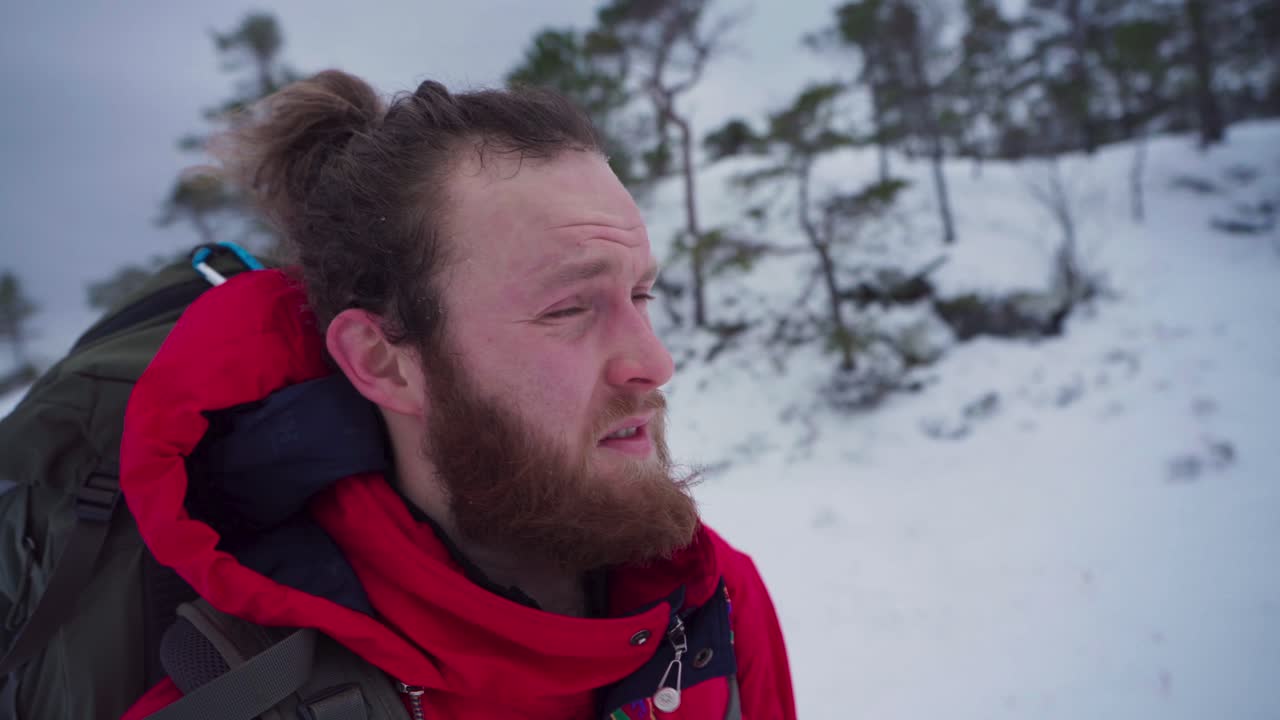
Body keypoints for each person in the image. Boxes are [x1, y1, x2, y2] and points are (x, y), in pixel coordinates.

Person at [120, 70, 795, 719]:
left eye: (640, 295)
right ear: (385, 363)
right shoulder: (250, 694)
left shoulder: (716, 606)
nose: (655, 362)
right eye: (567, 309)